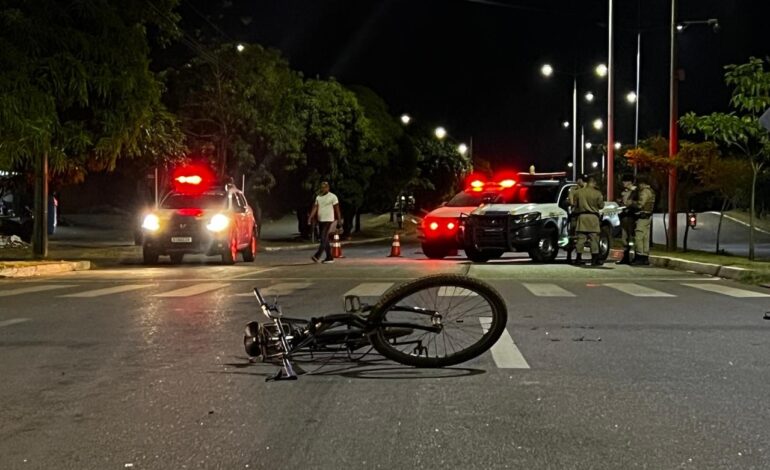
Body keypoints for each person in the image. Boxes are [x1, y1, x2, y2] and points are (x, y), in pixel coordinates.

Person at [572, 176, 605, 266]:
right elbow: (601, 206)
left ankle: (578, 258)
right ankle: (594, 259)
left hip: (582, 217)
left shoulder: (579, 192)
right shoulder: (597, 193)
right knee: (594, 239)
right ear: (593, 182)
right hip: (593, 218)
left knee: (580, 239)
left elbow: (575, 204)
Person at [307, 181, 341, 264]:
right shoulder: (318, 197)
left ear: (328, 187)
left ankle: (317, 256)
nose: (324, 188)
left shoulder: (333, 197)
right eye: (322, 187)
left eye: (325, 187)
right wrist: (310, 218)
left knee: (323, 237)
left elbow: (337, 209)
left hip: (328, 220)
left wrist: (339, 220)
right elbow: (315, 208)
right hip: (321, 220)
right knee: (325, 239)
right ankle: (329, 257)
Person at [629, 175, 655, 266]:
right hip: (648, 215)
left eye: (639, 184)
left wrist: (632, 203)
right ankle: (645, 257)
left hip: (642, 216)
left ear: (642, 184)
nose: (638, 186)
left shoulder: (645, 192)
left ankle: (639, 256)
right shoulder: (651, 191)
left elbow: (640, 204)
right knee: (645, 238)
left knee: (639, 236)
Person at [616, 174, 638, 264]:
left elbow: (636, 203)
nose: (623, 183)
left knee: (632, 237)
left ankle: (635, 256)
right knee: (625, 238)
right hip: (624, 216)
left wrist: (629, 204)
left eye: (624, 181)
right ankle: (626, 257)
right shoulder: (625, 191)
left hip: (632, 216)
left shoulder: (635, 191)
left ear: (629, 182)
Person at [565, 175, 586, 264]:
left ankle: (578, 256)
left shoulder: (585, 190)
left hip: (583, 215)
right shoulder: (574, 190)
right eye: (581, 180)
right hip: (575, 215)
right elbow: (571, 201)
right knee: (573, 236)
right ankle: (570, 256)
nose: (582, 182)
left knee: (581, 236)